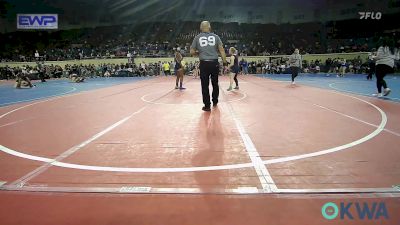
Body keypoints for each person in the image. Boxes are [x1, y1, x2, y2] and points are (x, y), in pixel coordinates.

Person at [190, 21, 227, 111]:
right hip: (214, 63)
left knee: (204, 85)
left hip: (204, 63)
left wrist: (199, 53)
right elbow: (221, 50)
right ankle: (215, 101)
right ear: (209, 27)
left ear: (201, 28)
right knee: (215, 83)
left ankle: (207, 106)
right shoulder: (216, 37)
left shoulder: (197, 37)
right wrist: (225, 62)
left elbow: (191, 52)